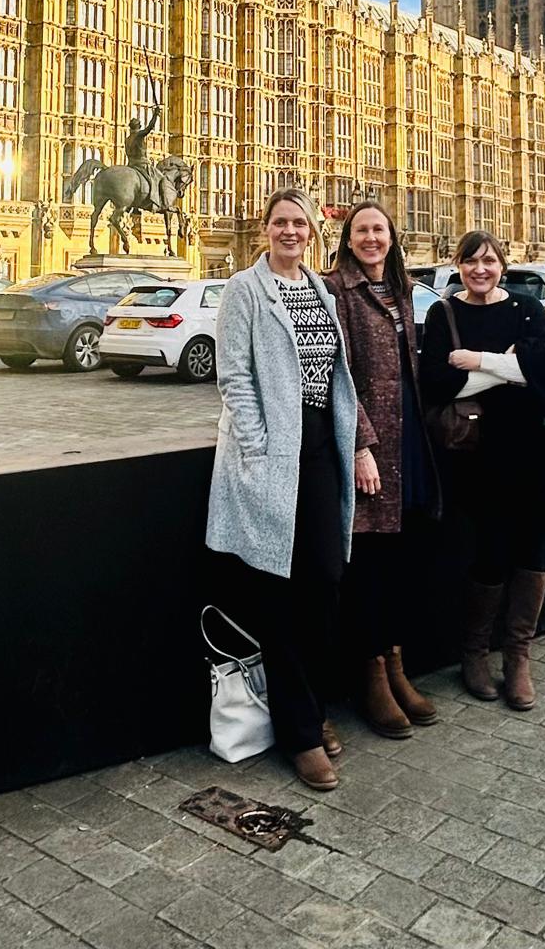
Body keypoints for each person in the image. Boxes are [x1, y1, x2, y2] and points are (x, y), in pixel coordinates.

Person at [206, 188, 358, 792]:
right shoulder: (244, 289)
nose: (290, 231)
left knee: (325, 579)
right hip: (275, 451)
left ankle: (312, 707)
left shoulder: (319, 289)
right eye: (280, 223)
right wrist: (259, 445)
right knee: (282, 589)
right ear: (264, 230)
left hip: (321, 444)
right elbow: (233, 374)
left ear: (312, 233)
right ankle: (300, 733)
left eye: (299, 223)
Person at [419, 231, 545, 710]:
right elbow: (438, 381)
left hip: (532, 450)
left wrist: (477, 362)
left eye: (489, 261)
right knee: (489, 552)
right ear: (458, 266)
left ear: (502, 265)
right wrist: (508, 366)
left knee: (532, 551)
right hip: (477, 455)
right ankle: (474, 654)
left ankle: (518, 658)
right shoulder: (444, 313)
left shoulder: (527, 310)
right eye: (470, 262)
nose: (480, 270)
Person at [323, 202, 441, 739]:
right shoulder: (335, 291)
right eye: (362, 231)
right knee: (368, 567)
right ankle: (371, 677)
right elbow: (334, 374)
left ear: (392, 238)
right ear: (348, 241)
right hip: (371, 446)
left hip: (408, 441)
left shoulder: (403, 289)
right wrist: (359, 445)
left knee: (398, 562)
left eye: (380, 230)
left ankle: (396, 667)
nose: (372, 238)